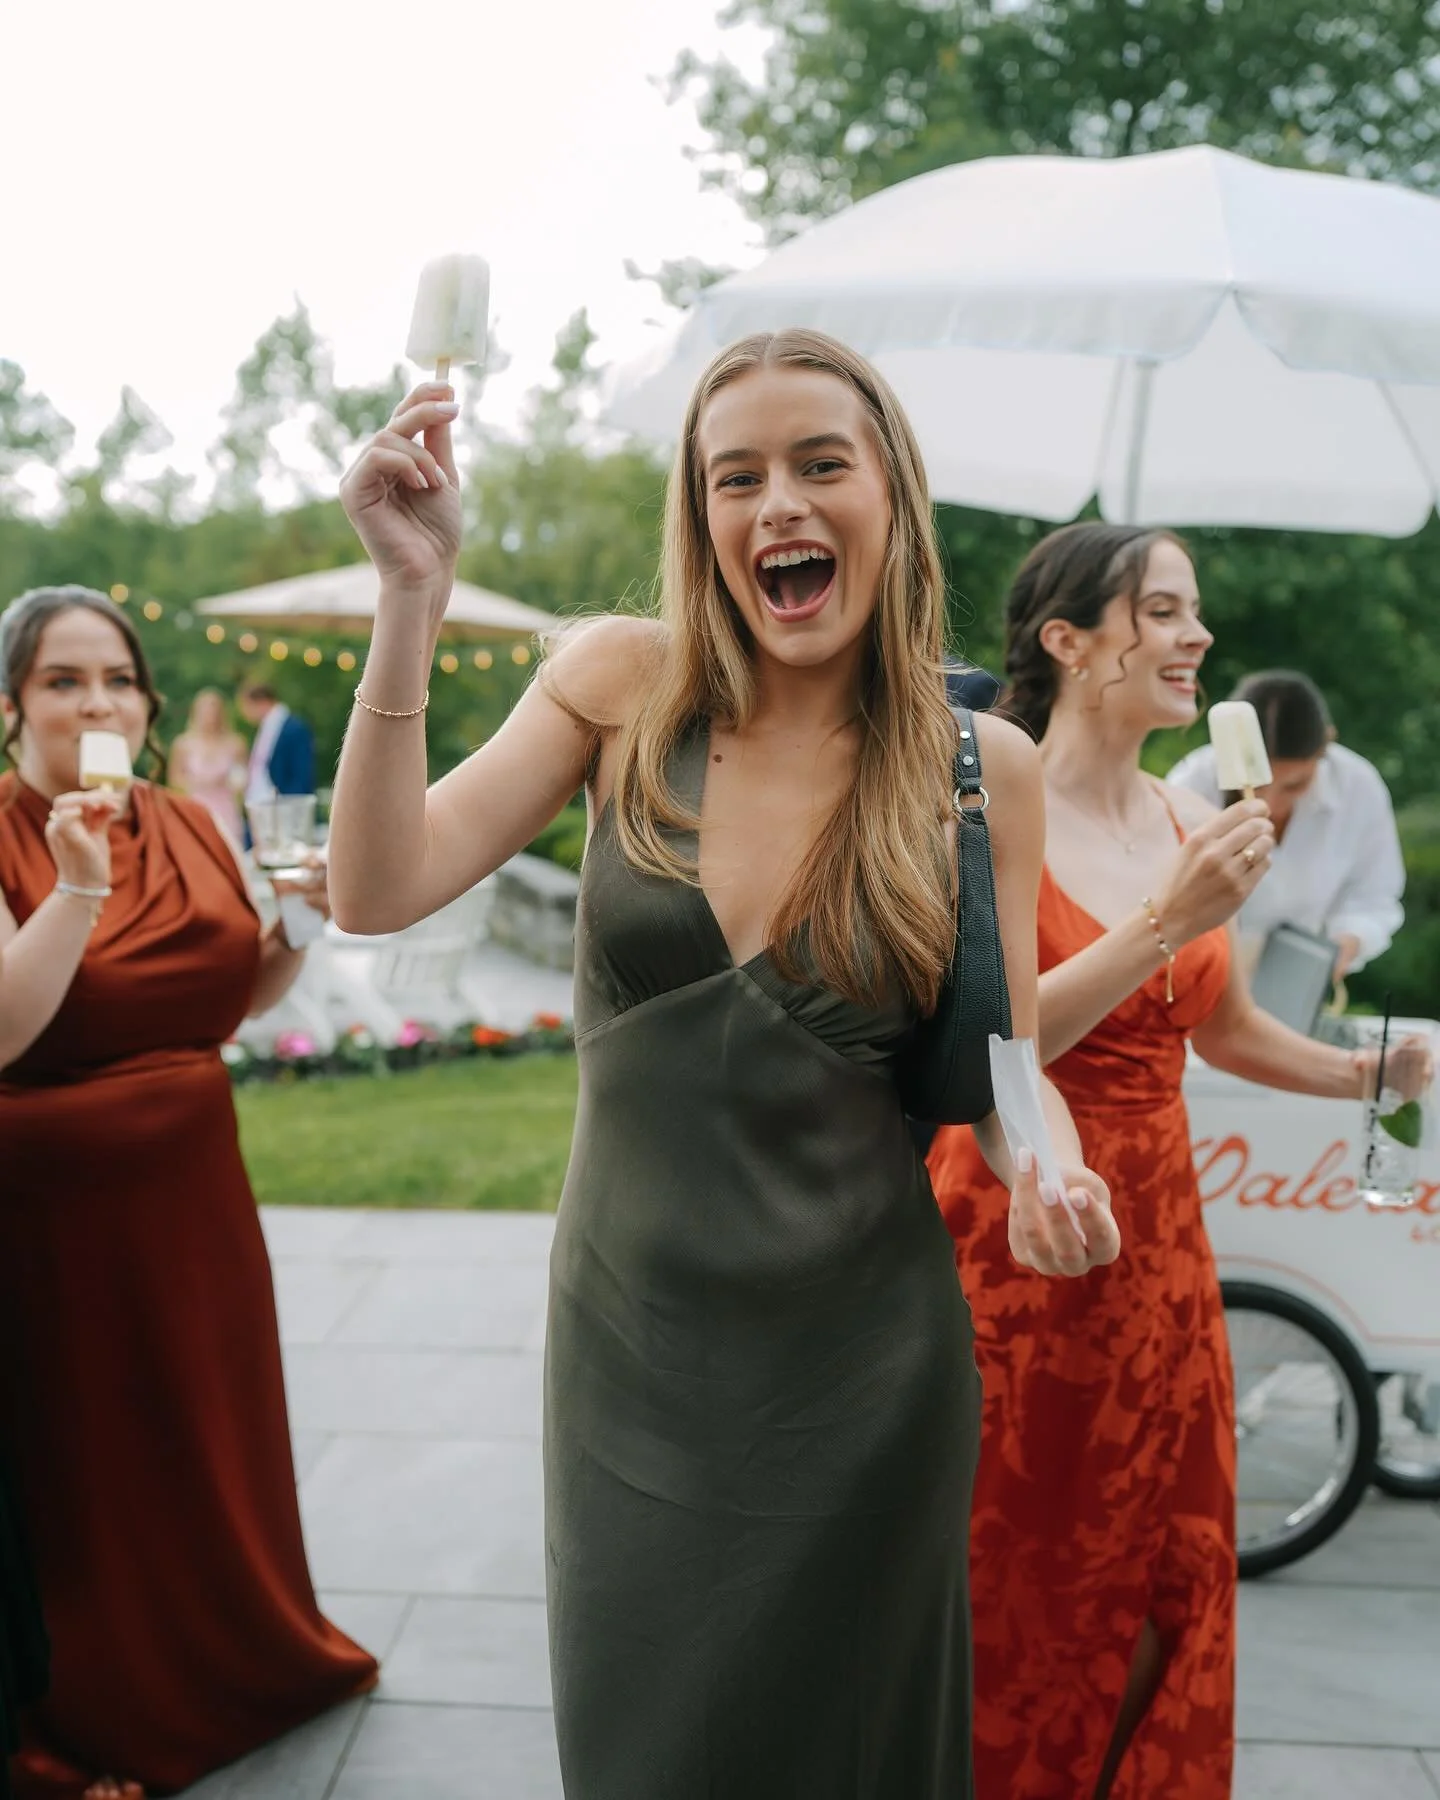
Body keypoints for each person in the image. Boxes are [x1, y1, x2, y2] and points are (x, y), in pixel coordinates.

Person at [329, 333, 1120, 1798]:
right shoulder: (619, 687)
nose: (779, 505)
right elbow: (378, 888)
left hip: (866, 1379)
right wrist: (410, 596)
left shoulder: (978, 771)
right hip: (633, 1363)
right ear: (700, 521)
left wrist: (1051, 1165)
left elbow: (1003, 1068)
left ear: (893, 496)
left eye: (822, 464)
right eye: (734, 477)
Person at [926, 523, 1431, 1800]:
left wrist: (1362, 1076)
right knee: (1024, 1568)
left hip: (1165, 1252)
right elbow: (1000, 1035)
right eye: (1161, 611)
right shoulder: (989, 789)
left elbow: (1227, 1028)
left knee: (1170, 1564)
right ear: (1068, 640)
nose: (1198, 636)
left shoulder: (1187, 816)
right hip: (1026, 1214)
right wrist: (1169, 919)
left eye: (1192, 611)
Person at [0, 587, 377, 1800]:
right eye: (63, 680)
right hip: (52, 1221)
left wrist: (301, 927)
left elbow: (229, 1001)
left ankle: (246, 1660)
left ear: (150, 705)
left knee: (207, 1441)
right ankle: (107, 1708)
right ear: (13, 705)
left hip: (196, 1199)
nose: (96, 700)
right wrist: (71, 888)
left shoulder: (186, 822)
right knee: (92, 1471)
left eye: (116, 678)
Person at [1167, 669, 1404, 981]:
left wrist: (1346, 943)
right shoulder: (1190, 785)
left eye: (1294, 785)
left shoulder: (1358, 788)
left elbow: (1374, 896)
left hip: (1300, 978)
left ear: (1326, 744)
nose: (1271, 804)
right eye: (1258, 785)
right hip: (1199, 974)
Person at [167, 687, 247, 843]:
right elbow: (174, 780)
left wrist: (227, 782)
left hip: (226, 810)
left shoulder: (235, 743)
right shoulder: (183, 744)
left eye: (214, 711)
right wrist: (198, 784)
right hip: (196, 808)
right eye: (205, 711)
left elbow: (242, 779)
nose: (210, 716)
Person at [238, 682, 315, 808]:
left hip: (284, 805)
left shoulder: (294, 728)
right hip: (261, 803)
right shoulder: (265, 727)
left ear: (261, 702)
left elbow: (302, 773)